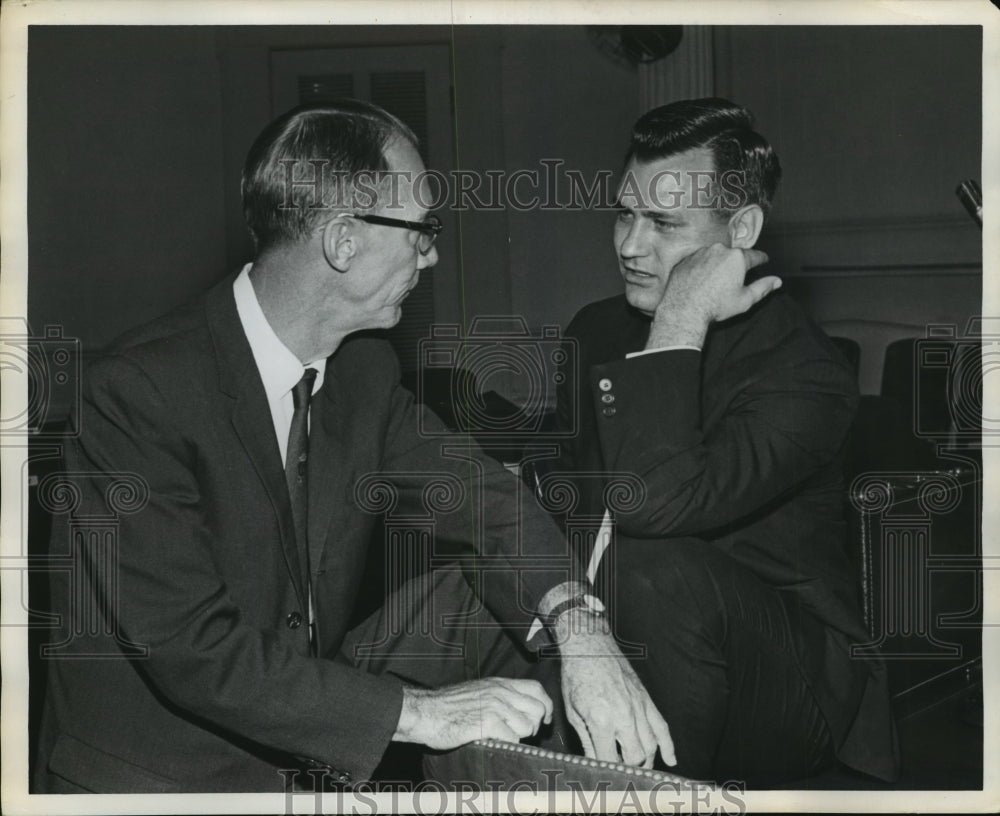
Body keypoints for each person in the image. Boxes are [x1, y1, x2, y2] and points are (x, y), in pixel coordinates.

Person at [33, 100, 673, 794]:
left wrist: (583, 631)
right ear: (343, 241)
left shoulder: (361, 372)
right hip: (167, 772)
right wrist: (420, 713)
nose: (431, 255)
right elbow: (195, 653)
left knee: (504, 595)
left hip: (303, 693)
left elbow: (479, 493)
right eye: (423, 230)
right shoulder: (135, 393)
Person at [549, 98, 899, 786]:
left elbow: (652, 507)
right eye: (625, 213)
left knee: (657, 568)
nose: (628, 245)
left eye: (663, 223)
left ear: (740, 230)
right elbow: (575, 510)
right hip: (628, 637)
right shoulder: (596, 329)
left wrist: (680, 316)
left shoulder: (807, 372)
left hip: (787, 687)